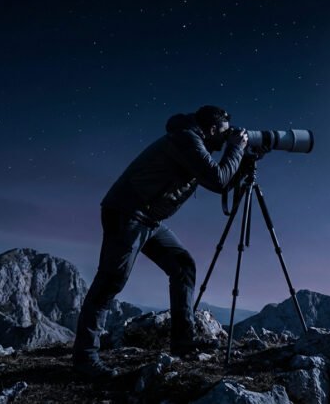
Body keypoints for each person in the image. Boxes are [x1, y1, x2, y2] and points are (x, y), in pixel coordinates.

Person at [72, 105, 248, 378]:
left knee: (182, 265)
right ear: (212, 129)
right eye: (223, 134)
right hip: (128, 212)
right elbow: (217, 179)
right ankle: (85, 360)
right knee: (111, 281)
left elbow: (218, 175)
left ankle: (183, 343)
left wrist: (240, 156)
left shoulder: (192, 139)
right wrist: (236, 149)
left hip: (148, 218)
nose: (225, 139)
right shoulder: (187, 139)